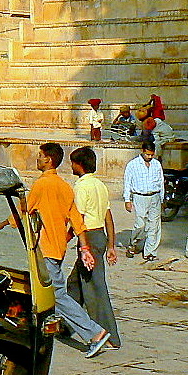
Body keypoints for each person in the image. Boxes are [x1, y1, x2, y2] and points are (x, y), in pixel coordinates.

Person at [0, 143, 111, 358]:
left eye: (40, 156)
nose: (37, 159)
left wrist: (3, 223)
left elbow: (24, 210)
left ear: (48, 160)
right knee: (38, 291)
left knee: (57, 295)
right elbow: (77, 221)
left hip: (46, 248)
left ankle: (95, 333)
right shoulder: (65, 187)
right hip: (57, 249)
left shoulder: (42, 184)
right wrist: (84, 248)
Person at [66, 146, 120, 349]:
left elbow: (76, 219)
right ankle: (65, 325)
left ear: (78, 165)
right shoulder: (100, 185)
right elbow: (108, 217)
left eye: (73, 163)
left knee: (95, 289)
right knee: (74, 285)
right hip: (99, 236)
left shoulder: (81, 187)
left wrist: (68, 239)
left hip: (88, 238)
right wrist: (111, 245)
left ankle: (108, 335)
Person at [123, 139, 165, 261]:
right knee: (140, 224)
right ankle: (133, 244)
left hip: (155, 196)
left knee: (154, 225)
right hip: (139, 197)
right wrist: (127, 200)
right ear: (143, 151)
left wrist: (162, 199)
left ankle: (150, 252)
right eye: (147, 154)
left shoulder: (156, 164)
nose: (150, 157)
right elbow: (127, 183)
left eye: (152, 154)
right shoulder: (133, 164)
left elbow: (161, 181)